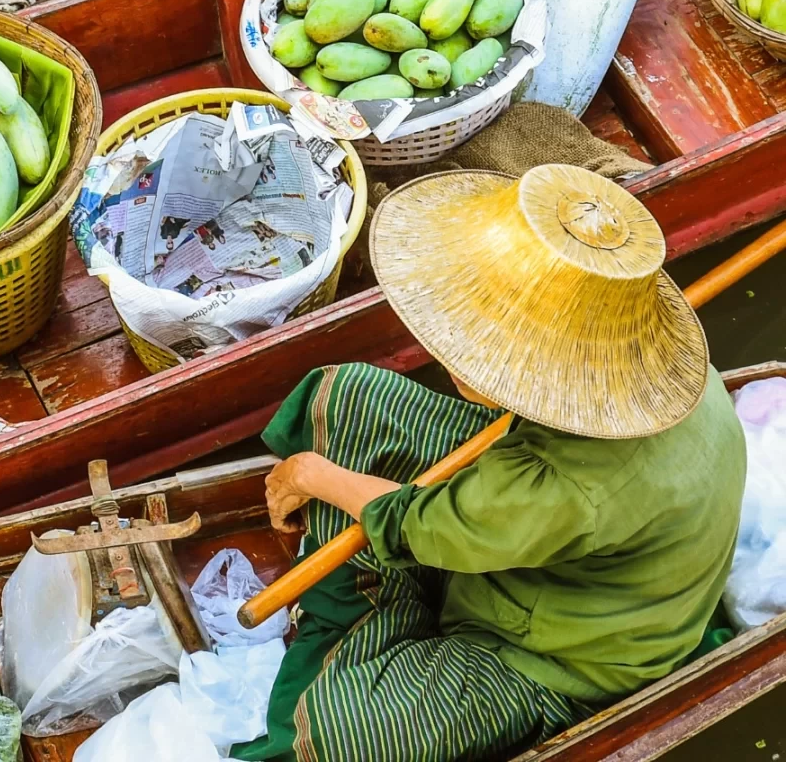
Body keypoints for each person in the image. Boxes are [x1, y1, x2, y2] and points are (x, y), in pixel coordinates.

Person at [236, 164, 747, 762]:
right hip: (558, 532)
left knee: (336, 734)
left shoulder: (564, 487)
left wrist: (308, 475)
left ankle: (383, 614)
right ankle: (390, 591)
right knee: (348, 396)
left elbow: (423, 525)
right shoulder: (661, 374)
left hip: (561, 654)